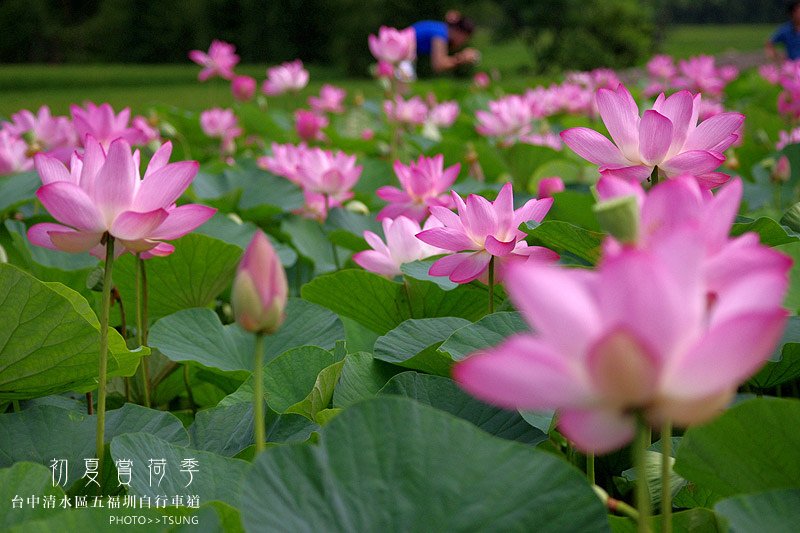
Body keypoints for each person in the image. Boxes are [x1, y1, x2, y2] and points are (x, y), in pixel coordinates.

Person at [412, 11, 479, 76]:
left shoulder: (440, 28)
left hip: (404, 48)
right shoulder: (440, 34)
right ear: (460, 33)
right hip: (404, 50)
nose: (462, 43)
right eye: (464, 39)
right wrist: (462, 58)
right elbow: (439, 65)